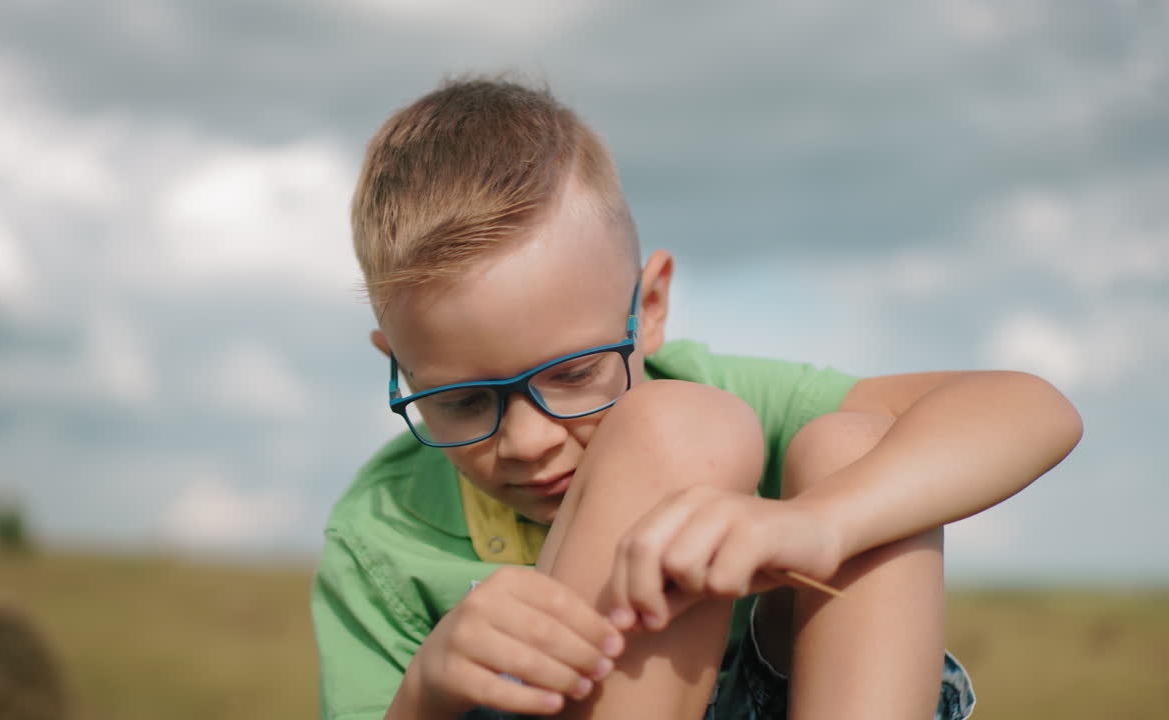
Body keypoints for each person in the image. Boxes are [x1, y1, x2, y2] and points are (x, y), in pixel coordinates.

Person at [311, 77, 1082, 720]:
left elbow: (1036, 410)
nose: (526, 440)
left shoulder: (721, 397)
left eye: (574, 374)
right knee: (682, 429)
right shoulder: (379, 535)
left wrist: (818, 524)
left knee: (845, 447)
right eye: (461, 401)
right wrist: (425, 694)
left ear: (647, 310)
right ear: (402, 364)